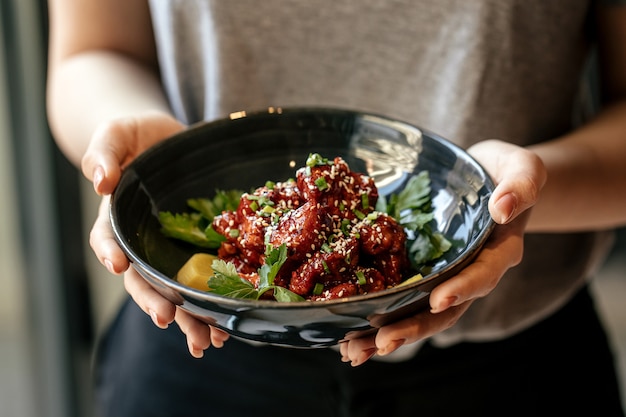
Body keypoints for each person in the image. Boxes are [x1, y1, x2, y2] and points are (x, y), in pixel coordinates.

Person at [46, 1, 626, 416]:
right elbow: (94, 50)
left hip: (515, 370)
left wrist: (518, 191)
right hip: (199, 351)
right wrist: (141, 165)